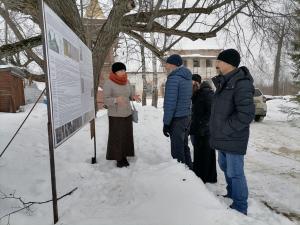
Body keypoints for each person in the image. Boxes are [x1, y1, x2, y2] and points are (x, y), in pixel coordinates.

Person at [209, 49, 255, 215]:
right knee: (224, 166)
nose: (217, 64)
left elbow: (246, 114)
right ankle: (232, 194)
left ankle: (240, 206)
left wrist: (225, 128)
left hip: (233, 136)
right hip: (223, 136)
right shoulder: (225, 81)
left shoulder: (241, 83)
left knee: (235, 173)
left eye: (219, 61)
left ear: (228, 63)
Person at [103, 62, 141, 168]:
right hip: (115, 115)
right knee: (117, 137)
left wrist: (134, 97)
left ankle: (125, 154)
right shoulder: (108, 83)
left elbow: (129, 95)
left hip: (127, 113)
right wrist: (115, 99)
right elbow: (105, 100)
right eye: (121, 71)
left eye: (124, 70)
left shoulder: (127, 81)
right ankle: (119, 158)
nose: (123, 72)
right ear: (115, 72)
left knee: (126, 136)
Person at [163, 54, 192, 169]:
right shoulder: (187, 78)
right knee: (184, 147)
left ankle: (182, 179)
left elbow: (170, 104)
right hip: (186, 117)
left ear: (173, 64)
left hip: (177, 119)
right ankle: (190, 173)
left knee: (177, 151)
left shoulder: (174, 79)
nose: (165, 66)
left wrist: (166, 123)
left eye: (167, 63)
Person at [190, 74, 217, 183]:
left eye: (192, 82)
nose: (191, 85)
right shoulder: (197, 93)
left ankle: (205, 178)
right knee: (200, 153)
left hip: (206, 130)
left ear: (197, 82)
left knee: (206, 154)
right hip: (198, 128)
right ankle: (202, 176)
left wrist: (203, 125)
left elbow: (211, 112)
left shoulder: (207, 93)